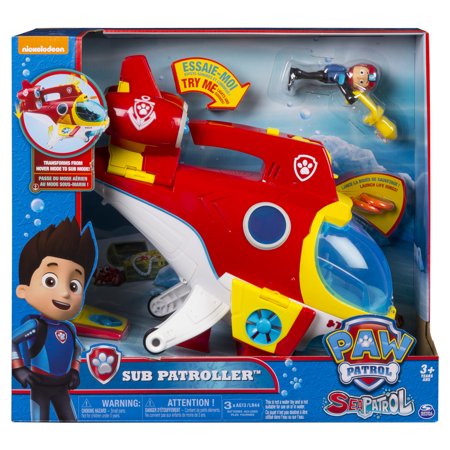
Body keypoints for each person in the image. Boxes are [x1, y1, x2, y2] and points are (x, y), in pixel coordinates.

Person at [12, 217, 97, 421]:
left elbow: (77, 349)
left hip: (62, 385)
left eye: (74, 285)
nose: (65, 293)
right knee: (39, 424)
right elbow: (10, 341)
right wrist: (19, 369)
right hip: (39, 384)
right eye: (50, 281)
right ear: (23, 290)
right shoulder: (34, 325)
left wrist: (75, 371)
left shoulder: (69, 328)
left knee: (71, 422)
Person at [288, 63, 378, 104]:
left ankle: (296, 74)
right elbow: (342, 85)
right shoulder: (343, 75)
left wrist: (350, 94)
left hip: (326, 77)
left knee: (310, 76)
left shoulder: (345, 76)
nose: (359, 77)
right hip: (325, 75)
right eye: (362, 73)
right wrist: (348, 96)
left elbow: (345, 86)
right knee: (309, 75)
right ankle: (296, 73)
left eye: (361, 81)